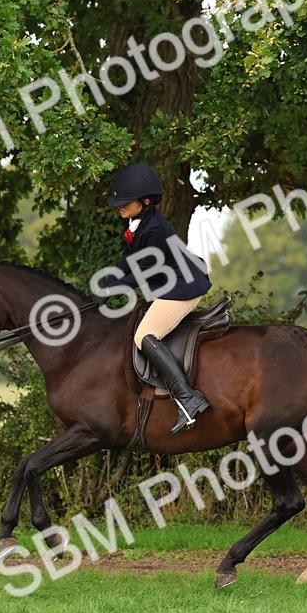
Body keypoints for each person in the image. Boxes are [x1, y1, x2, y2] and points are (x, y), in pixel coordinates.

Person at [101, 163, 212, 434]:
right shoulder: (137, 223)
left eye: (126, 202)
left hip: (183, 289)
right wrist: (110, 282)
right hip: (169, 286)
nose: (120, 207)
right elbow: (130, 260)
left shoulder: (156, 230)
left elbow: (142, 271)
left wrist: (114, 289)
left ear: (146, 201)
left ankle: (188, 397)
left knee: (144, 336)